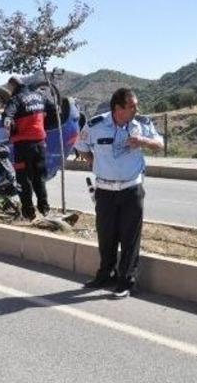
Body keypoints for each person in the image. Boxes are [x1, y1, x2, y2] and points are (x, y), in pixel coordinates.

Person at [75, 88, 163, 298]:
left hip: (131, 188)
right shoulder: (96, 124)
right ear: (118, 108)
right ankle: (105, 275)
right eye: (132, 106)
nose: (136, 109)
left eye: (135, 105)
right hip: (105, 190)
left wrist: (143, 141)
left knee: (130, 237)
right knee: (106, 236)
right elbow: (81, 145)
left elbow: (160, 144)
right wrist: (93, 162)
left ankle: (126, 281)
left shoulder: (142, 123)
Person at [2, 77, 56, 220]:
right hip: (40, 144)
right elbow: (55, 110)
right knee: (40, 178)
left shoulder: (16, 99)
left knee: (23, 180)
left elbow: (7, 116)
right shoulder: (39, 96)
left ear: (12, 86)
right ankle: (44, 209)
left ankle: (28, 213)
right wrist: (46, 125)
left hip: (23, 146)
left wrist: (8, 125)